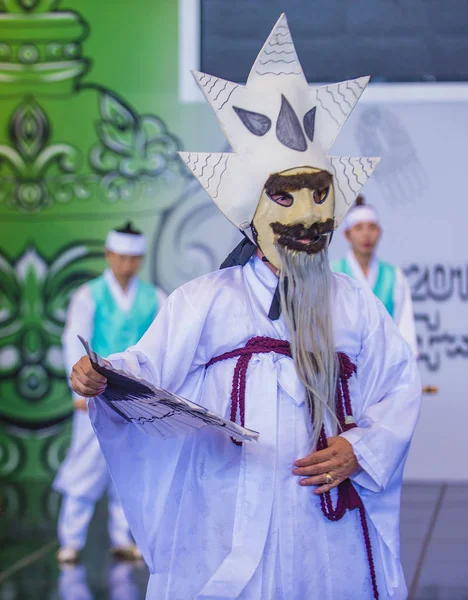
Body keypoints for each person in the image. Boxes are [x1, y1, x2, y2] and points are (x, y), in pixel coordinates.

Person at [69, 15, 421, 599]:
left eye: (318, 196)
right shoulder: (207, 300)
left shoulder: (355, 305)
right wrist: (101, 375)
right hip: (227, 509)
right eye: (284, 197)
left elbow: (400, 384)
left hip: (325, 521)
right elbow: (147, 370)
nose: (306, 218)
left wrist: (361, 449)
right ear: (251, 214)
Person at [54, 222, 167, 564]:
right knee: (85, 468)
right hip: (94, 394)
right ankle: (70, 541)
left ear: (141, 259)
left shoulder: (155, 297)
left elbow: (161, 346)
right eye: (120, 257)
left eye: (134, 258)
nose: (126, 264)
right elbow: (73, 340)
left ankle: (123, 539)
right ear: (109, 255)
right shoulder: (89, 295)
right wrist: (78, 390)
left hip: (134, 396)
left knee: (131, 468)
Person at [332, 195, 418, 354]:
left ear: (379, 232)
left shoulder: (393, 276)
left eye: (372, 227)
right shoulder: (333, 272)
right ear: (347, 234)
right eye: (358, 228)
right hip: (343, 364)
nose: (366, 234)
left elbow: (405, 329)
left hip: (386, 365)